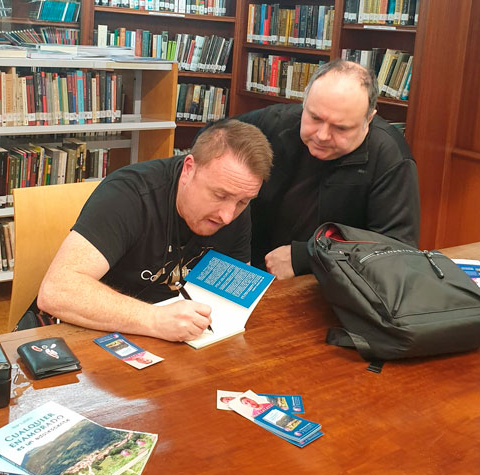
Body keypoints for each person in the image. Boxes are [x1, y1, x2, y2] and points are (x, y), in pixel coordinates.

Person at [37, 119, 273, 342]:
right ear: (189, 169)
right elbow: (57, 291)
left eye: (243, 202)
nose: (228, 216)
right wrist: (155, 319)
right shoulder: (128, 195)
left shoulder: (233, 203)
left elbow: (232, 297)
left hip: (176, 342)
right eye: (219, 195)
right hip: (95, 333)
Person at [235, 59, 420, 279]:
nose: (322, 135)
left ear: (368, 119)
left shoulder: (389, 156)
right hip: (246, 267)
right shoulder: (274, 122)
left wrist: (306, 257)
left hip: (325, 281)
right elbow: (211, 143)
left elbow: (397, 251)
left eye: (341, 128)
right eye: (314, 118)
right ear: (304, 102)